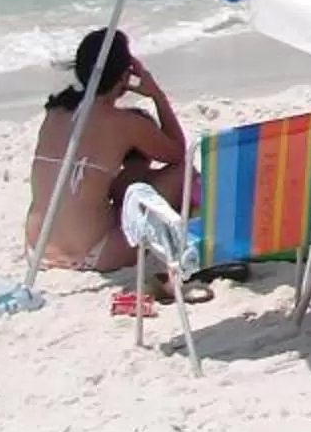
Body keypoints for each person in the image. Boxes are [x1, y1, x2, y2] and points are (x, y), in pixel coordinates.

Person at [26, 29, 190, 272]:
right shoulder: (126, 124)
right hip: (92, 253)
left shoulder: (55, 112)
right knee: (183, 175)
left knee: (106, 177)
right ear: (125, 75)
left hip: (37, 248)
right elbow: (177, 153)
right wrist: (157, 95)